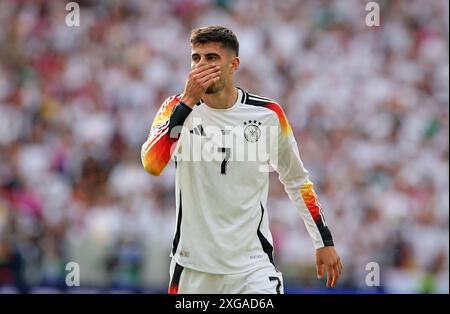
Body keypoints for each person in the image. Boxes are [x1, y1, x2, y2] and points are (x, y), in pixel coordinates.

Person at [141, 25, 342, 294]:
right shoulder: (175, 108)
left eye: (211, 58)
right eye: (196, 58)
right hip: (193, 268)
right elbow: (152, 164)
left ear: (233, 65)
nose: (201, 66)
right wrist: (188, 102)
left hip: (252, 268)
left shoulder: (267, 115)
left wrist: (323, 240)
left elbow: (296, 180)